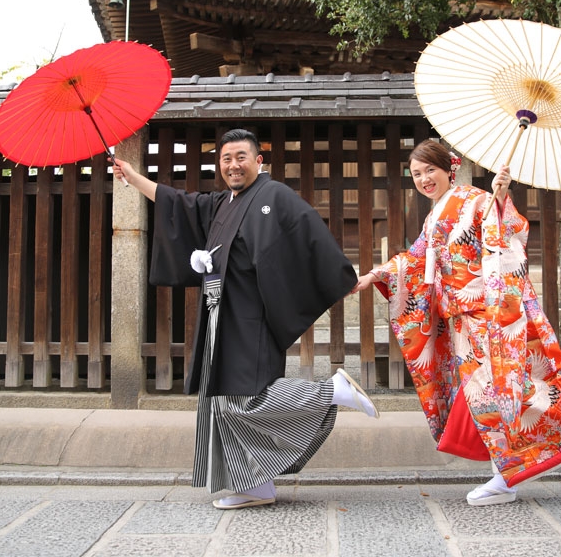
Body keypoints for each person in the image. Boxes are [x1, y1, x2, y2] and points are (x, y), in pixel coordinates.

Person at [111, 128, 378, 510]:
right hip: (220, 312)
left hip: (250, 315)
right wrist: (133, 177)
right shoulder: (223, 201)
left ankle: (333, 391)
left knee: (245, 398)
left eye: (241, 157)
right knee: (222, 400)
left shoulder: (274, 196)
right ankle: (257, 485)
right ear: (219, 165)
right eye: (226, 159)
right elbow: (179, 203)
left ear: (258, 161)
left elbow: (307, 234)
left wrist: (338, 277)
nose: (233, 165)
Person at [352, 139, 561, 506]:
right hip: (463, 320)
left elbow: (510, 232)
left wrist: (502, 198)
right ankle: (509, 471)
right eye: (417, 174)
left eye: (431, 170)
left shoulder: (476, 198)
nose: (425, 179)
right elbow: (413, 260)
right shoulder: (435, 216)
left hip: (489, 314)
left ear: (449, 169)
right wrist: (374, 276)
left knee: (507, 390)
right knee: (486, 398)